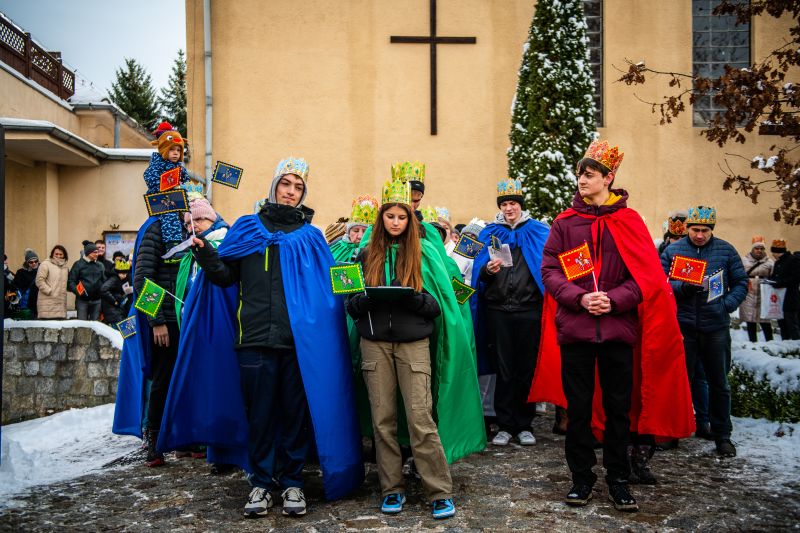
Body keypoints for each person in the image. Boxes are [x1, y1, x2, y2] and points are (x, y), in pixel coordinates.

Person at [175, 157, 362, 517]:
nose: (291, 192)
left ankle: (292, 482)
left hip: (297, 343)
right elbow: (226, 277)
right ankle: (260, 483)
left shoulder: (310, 237)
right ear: (274, 185)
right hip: (254, 339)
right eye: (286, 184)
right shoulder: (246, 228)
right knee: (259, 415)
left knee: (294, 414)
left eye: (298, 187)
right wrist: (204, 252)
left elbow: (326, 287)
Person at [532, 140, 694, 512]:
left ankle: (619, 480)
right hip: (576, 331)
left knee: (619, 411)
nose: (581, 181)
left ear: (608, 178)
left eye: (588, 175)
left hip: (619, 333)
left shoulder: (630, 221)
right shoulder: (565, 222)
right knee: (579, 411)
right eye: (579, 175)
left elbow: (647, 277)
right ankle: (581, 479)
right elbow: (550, 270)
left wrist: (614, 300)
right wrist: (580, 298)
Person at [346, 177, 483, 520]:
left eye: (401, 217)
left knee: (420, 417)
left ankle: (439, 490)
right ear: (381, 220)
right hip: (375, 345)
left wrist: (419, 300)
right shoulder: (364, 254)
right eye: (389, 216)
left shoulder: (425, 253)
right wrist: (361, 300)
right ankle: (391, 489)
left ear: (410, 220)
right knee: (383, 420)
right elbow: (347, 303)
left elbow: (441, 303)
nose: (395, 222)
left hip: (414, 345)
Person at [661, 206, 748, 458]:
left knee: (719, 383)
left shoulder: (726, 250)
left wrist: (726, 305)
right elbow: (661, 281)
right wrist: (682, 289)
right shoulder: (674, 251)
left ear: (712, 230)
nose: (700, 235)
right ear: (687, 228)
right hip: (684, 325)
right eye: (695, 229)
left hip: (715, 326)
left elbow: (741, 283)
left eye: (705, 230)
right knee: (680, 383)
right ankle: (673, 432)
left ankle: (723, 435)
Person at [472, 178, 549, 447]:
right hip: (498, 310)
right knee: (503, 368)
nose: (509, 208)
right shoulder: (490, 233)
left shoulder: (539, 231)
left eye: (513, 203)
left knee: (525, 368)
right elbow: (477, 273)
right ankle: (505, 424)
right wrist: (487, 271)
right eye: (504, 204)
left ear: (520, 205)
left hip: (529, 310)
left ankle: (524, 423)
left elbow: (546, 270)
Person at [143, 122, 190, 248]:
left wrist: (187, 190)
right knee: (170, 213)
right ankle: (172, 243)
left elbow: (186, 182)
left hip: (176, 198)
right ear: (164, 149)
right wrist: (164, 185)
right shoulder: (157, 164)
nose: (176, 153)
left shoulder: (180, 168)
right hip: (159, 199)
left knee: (193, 209)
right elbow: (149, 178)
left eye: (178, 150)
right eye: (172, 150)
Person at [739, 236, 774, 342]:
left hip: (764, 292)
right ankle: (753, 342)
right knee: (750, 319)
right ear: (752, 249)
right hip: (749, 292)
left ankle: (770, 341)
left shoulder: (769, 262)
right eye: (757, 248)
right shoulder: (744, 261)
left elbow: (773, 276)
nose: (759, 250)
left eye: (761, 248)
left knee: (765, 319)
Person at [330, 196, 378, 263]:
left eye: (365, 232)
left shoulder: (379, 252)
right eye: (356, 231)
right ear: (348, 232)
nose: (360, 236)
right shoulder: (336, 245)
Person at [770, 239, 800, 340]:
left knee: (792, 324)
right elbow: (775, 276)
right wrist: (770, 281)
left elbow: (796, 278)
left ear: (776, 251)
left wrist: (779, 282)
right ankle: (785, 345)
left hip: (790, 298)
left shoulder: (792, 260)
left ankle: (796, 347)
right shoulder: (778, 262)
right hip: (779, 299)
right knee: (782, 324)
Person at [68, 241, 106, 320]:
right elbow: (71, 281)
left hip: (97, 301)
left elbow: (104, 280)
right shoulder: (78, 264)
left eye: (97, 252)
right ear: (89, 253)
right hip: (82, 301)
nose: (97, 254)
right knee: (82, 325)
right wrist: (79, 291)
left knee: (95, 325)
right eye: (95, 252)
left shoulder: (100, 265)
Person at [35, 245, 69, 320]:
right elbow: (39, 280)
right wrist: (49, 291)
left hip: (60, 305)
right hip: (47, 304)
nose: (58, 256)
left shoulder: (65, 268)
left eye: (61, 254)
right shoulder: (45, 264)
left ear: (64, 255)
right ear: (52, 254)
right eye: (56, 254)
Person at [100, 259, 133, 325]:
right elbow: (103, 289)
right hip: (112, 310)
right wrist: (114, 301)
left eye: (126, 273)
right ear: (118, 272)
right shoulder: (114, 279)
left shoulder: (120, 279)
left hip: (117, 309)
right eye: (123, 273)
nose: (125, 275)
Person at [13, 249, 40, 319]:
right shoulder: (21, 272)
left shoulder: (43, 270)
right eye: (31, 262)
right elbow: (16, 286)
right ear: (27, 263)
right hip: (27, 303)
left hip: (40, 302)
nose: (34, 263)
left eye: (36, 261)